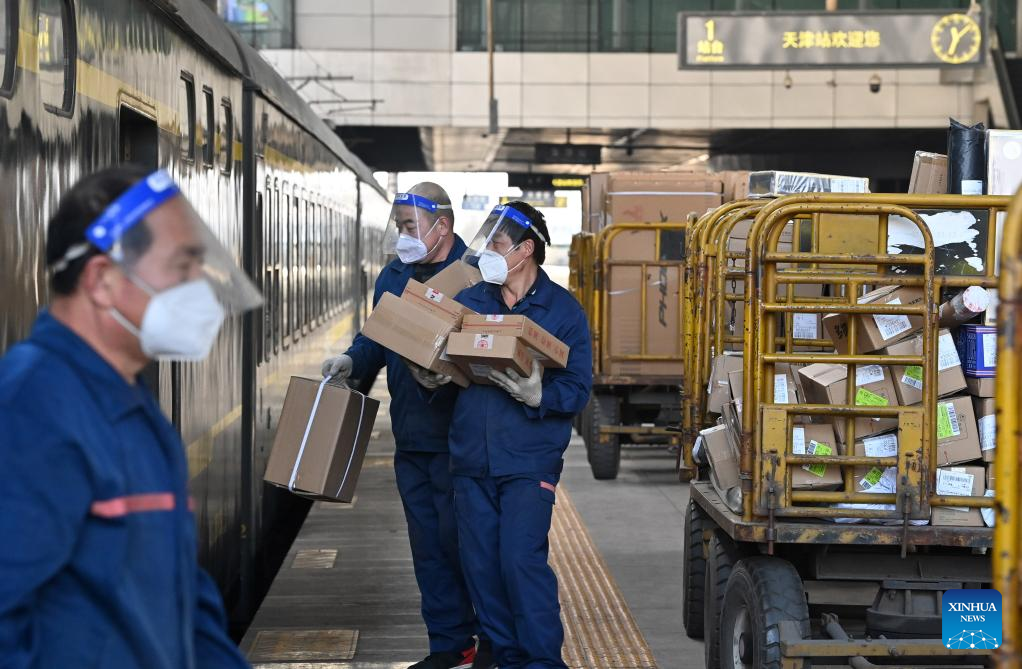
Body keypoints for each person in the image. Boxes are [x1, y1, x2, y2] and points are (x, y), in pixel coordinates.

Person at [0, 166, 262, 668]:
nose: (199, 287)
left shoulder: (134, 407)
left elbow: (184, 606)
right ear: (102, 281)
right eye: (183, 267)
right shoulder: (30, 409)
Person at [321, 183, 491, 669]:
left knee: (467, 544)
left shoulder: (475, 276)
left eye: (410, 227)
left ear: (443, 225)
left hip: (461, 438)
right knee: (428, 548)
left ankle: (492, 639)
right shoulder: (393, 275)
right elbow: (377, 337)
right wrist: (352, 360)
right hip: (412, 435)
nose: (403, 236)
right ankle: (450, 644)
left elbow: (493, 348)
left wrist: (453, 367)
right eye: (399, 227)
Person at [450, 202, 592, 669]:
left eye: (497, 242)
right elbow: (445, 362)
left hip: (529, 459)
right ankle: (507, 658)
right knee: (481, 567)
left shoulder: (562, 311)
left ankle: (543, 661)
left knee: (519, 560)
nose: (487, 251)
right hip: (471, 457)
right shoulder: (472, 302)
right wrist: (431, 374)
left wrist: (540, 394)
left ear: (525, 249)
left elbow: (578, 388)